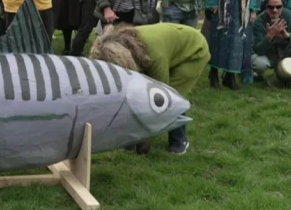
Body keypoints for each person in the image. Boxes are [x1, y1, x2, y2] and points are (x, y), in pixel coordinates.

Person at [90, 22, 210, 154]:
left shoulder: (155, 56)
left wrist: (146, 137)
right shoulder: (124, 41)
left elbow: (162, 94)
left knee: (172, 97)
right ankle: (132, 140)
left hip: (193, 50)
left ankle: (179, 141)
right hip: (170, 45)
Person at [251, 0, 291, 88]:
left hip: (284, 53)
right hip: (267, 55)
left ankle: (288, 75)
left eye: (278, 7)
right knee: (258, 63)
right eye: (271, 7)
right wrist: (269, 36)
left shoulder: (288, 14)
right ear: (266, 7)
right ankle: (257, 75)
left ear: (283, 7)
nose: (275, 10)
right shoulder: (259, 21)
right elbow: (258, 49)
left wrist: (287, 36)